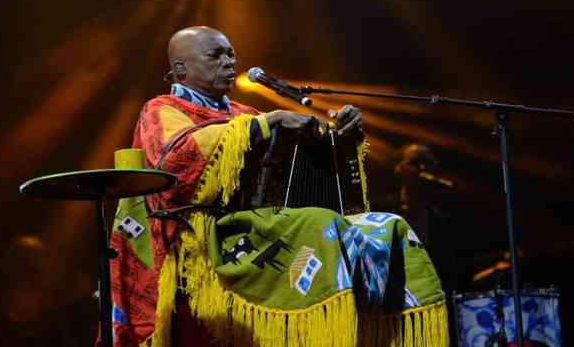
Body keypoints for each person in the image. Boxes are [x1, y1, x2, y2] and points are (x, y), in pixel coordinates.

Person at [107, 26, 449, 347]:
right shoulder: (161, 109)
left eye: (231, 54)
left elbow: (306, 165)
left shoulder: (244, 112)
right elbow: (177, 158)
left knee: (389, 226)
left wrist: (342, 137)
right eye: (215, 55)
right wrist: (267, 122)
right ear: (180, 69)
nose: (229, 62)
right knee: (319, 224)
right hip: (206, 232)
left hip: (265, 224)